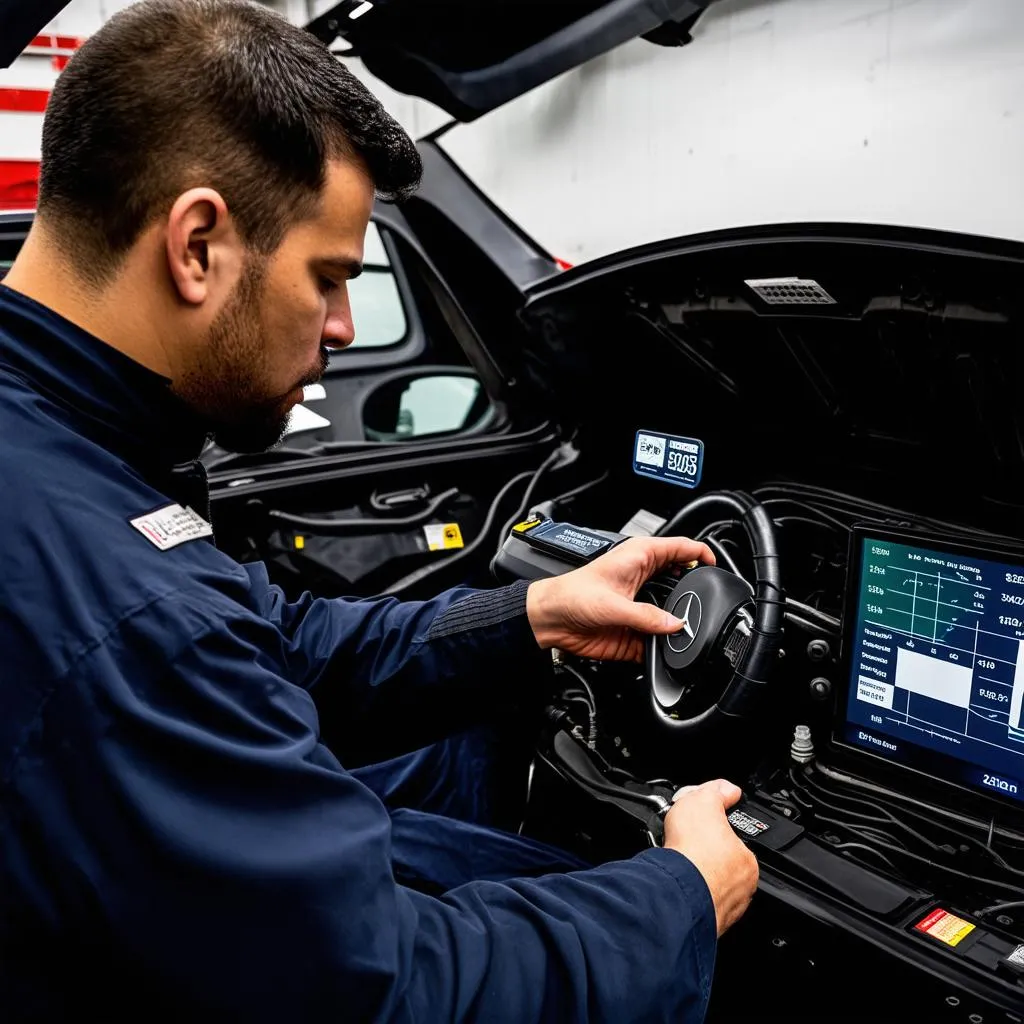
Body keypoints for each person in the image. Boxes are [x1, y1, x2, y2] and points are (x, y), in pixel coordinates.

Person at [0, 1, 758, 1020]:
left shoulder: (55, 442)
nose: (346, 329)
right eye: (329, 278)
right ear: (197, 246)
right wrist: (682, 895)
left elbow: (268, 641)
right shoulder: (123, 612)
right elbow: (392, 993)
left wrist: (531, 617)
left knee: (464, 743)